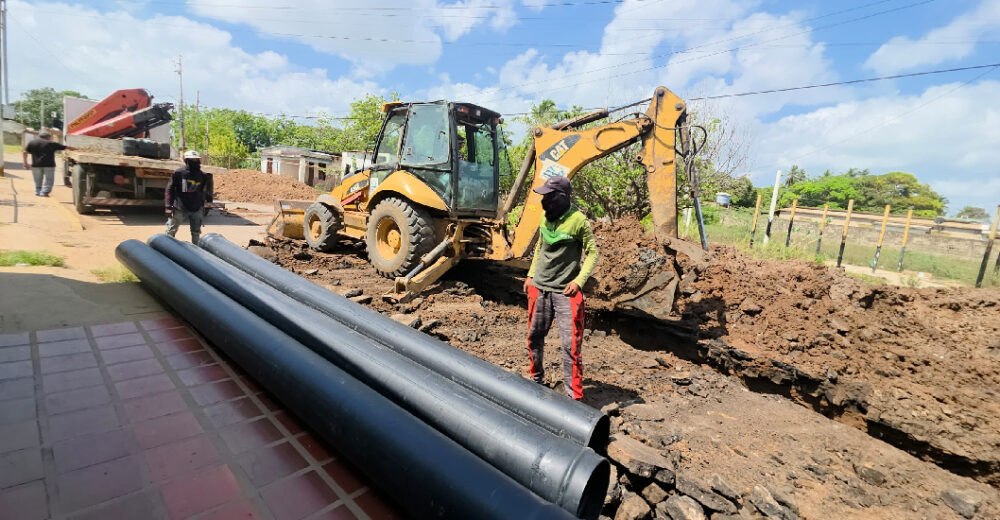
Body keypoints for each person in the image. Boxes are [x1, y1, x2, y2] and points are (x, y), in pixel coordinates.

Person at [522, 175, 599, 400]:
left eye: (549, 196)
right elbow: (540, 247)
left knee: (570, 345)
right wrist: (530, 274)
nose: (544, 201)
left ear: (562, 198)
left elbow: (593, 252)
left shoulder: (578, 221)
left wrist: (579, 281)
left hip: (566, 292)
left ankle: (573, 396)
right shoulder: (545, 218)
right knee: (534, 337)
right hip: (539, 287)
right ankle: (536, 380)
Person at [165, 150, 212, 244]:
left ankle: (196, 252)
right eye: (192, 160)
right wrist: (168, 206)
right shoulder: (178, 173)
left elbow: (207, 191)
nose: (194, 162)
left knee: (196, 233)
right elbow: (170, 189)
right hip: (180, 208)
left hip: (196, 208)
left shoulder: (203, 175)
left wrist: (208, 203)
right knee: (170, 232)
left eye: (196, 160)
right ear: (186, 160)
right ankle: (166, 247)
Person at [23, 130, 68, 197]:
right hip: (49, 165)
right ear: (48, 137)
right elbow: (66, 147)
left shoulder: (32, 143)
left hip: (36, 165)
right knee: (49, 179)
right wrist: (78, 148)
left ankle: (38, 192)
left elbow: (25, 152)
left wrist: (25, 163)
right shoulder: (51, 143)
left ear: (39, 136)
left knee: (37, 179)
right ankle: (44, 192)